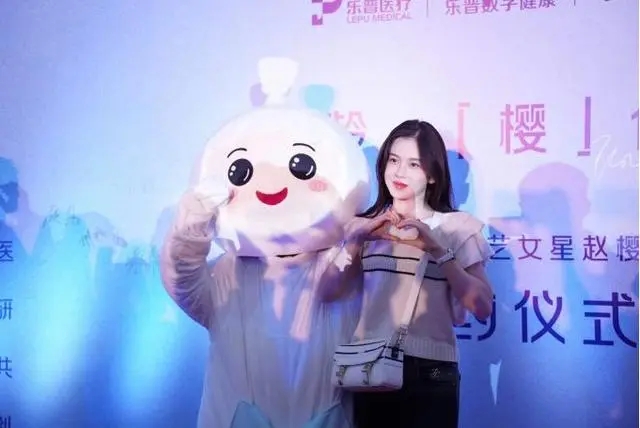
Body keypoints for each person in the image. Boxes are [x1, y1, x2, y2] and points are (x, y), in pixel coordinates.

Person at [160, 58, 371, 428]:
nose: (270, 184)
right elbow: (181, 274)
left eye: (301, 166)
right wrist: (194, 220)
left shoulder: (345, 267)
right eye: (240, 171)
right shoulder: (225, 276)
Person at [318, 119, 494, 427]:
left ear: (433, 176)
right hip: (371, 366)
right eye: (393, 160)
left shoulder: (456, 228)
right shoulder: (363, 226)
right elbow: (327, 291)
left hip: (433, 371)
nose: (399, 173)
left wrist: (437, 250)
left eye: (414, 164)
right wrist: (355, 242)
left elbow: (482, 307)